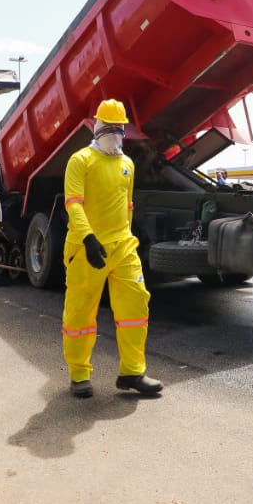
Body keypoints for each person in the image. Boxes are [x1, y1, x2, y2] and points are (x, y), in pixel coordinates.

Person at [62, 98, 162, 398]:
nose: (115, 134)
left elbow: (127, 205)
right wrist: (88, 238)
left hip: (123, 247)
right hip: (86, 249)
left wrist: (130, 234)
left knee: (136, 306)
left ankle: (132, 372)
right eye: (109, 127)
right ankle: (79, 374)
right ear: (97, 127)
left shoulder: (127, 164)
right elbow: (73, 205)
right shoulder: (80, 160)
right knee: (81, 312)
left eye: (119, 128)